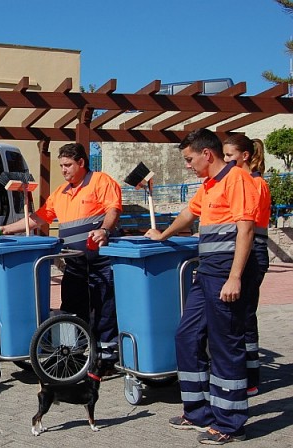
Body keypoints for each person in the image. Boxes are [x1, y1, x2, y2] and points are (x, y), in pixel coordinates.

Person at [145, 129, 258, 444]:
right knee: (186, 335)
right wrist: (163, 235)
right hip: (207, 272)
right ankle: (197, 412)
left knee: (225, 345)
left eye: (189, 159)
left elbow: (246, 230)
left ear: (207, 154)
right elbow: (187, 214)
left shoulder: (237, 180)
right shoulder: (209, 185)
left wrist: (235, 276)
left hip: (226, 273)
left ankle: (230, 423)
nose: (188, 166)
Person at [0, 142, 122, 368]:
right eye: (61, 165)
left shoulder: (101, 181)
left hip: (100, 261)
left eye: (68, 165)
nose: (63, 170)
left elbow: (113, 209)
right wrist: (7, 229)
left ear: (81, 162)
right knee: (72, 306)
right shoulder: (60, 193)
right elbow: (38, 218)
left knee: (105, 307)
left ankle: (107, 356)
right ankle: (75, 351)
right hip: (74, 263)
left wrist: (104, 229)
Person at [223, 134, 270, 398]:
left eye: (230, 156)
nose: (226, 160)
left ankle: (250, 377)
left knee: (245, 317)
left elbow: (246, 226)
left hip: (254, 251)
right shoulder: (245, 181)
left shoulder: (253, 183)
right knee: (243, 315)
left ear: (245, 156)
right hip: (250, 251)